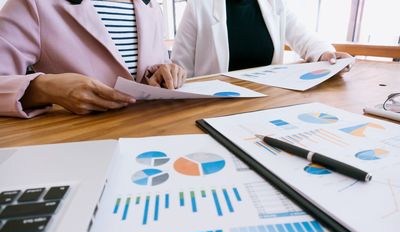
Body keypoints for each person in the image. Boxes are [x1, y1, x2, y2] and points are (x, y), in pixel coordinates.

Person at [0, 0, 186, 118]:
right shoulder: (32, 4)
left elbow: (153, 65)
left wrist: (166, 70)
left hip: (152, 133)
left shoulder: (151, 6)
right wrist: (43, 88)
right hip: (80, 144)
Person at [171, 0, 351, 78]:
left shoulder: (274, 3)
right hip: (214, 107)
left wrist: (326, 54)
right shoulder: (198, 5)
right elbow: (180, 69)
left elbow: (305, 37)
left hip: (265, 103)